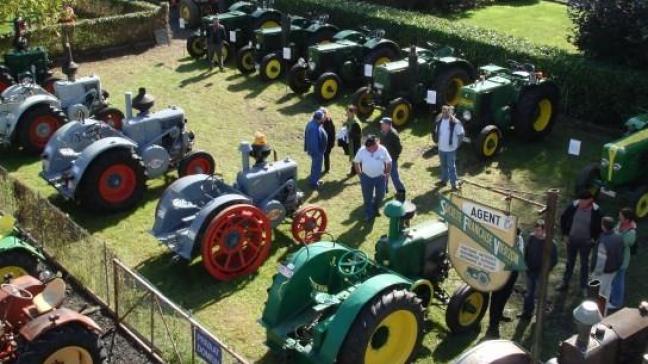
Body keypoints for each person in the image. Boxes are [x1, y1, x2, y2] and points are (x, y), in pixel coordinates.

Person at [557, 190, 603, 297]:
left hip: (586, 242)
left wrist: (594, 239)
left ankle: (583, 287)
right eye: (580, 199)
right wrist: (565, 234)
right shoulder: (574, 206)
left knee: (584, 264)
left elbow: (601, 227)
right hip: (572, 240)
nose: (580, 202)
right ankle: (565, 283)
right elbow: (563, 218)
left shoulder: (597, 211)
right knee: (570, 262)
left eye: (583, 200)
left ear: (590, 200)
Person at [486, 228, 525, 337]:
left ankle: (499, 315)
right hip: (501, 272)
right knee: (496, 297)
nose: (516, 237)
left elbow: (521, 253)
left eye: (517, 235)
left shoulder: (520, 240)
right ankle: (492, 324)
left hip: (513, 272)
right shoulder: (501, 240)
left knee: (505, 295)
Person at [518, 220, 558, 320]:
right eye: (535, 230)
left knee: (540, 294)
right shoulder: (532, 238)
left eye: (539, 230)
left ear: (544, 231)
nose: (536, 232)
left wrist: (546, 270)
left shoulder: (550, 243)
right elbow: (526, 251)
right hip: (530, 270)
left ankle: (541, 314)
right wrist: (525, 264)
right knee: (529, 293)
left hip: (541, 273)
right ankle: (527, 313)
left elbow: (554, 259)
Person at [354, 135, 392, 222]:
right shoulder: (362, 150)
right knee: (367, 197)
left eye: (371, 148)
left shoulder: (382, 150)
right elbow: (356, 162)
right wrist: (360, 174)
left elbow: (389, 162)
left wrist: (387, 174)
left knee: (381, 195)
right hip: (366, 177)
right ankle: (369, 213)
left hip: (380, 177)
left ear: (376, 144)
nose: (369, 150)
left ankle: (375, 208)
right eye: (368, 148)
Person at [590, 216, 624, 314]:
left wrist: (595, 273)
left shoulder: (603, 240)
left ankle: (596, 314)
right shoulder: (618, 237)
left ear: (603, 226)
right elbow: (621, 253)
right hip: (614, 270)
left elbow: (601, 260)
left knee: (598, 293)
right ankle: (604, 313)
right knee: (607, 291)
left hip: (603, 272)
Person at [608, 208, 636, 309]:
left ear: (627, 219)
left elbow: (623, 242)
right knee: (613, 280)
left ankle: (616, 303)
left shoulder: (631, 232)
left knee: (618, 282)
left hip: (621, 261)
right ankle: (611, 297)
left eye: (621, 216)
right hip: (614, 258)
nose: (619, 217)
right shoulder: (620, 224)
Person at [434, 105, 464, 191]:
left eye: (446, 111)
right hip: (441, 149)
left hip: (450, 150)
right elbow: (437, 133)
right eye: (443, 111)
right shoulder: (439, 121)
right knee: (443, 165)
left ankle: (454, 185)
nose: (444, 113)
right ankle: (444, 181)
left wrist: (457, 145)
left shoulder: (455, 122)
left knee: (451, 167)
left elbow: (461, 134)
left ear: (449, 112)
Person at [380, 117, 406, 201]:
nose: (381, 125)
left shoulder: (393, 134)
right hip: (384, 158)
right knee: (384, 175)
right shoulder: (383, 132)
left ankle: (401, 191)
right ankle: (383, 191)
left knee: (394, 176)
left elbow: (399, 148)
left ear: (388, 125)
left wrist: (394, 158)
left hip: (391, 160)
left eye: (383, 124)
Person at [304, 110, 328, 190]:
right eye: (322, 118)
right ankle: (313, 183)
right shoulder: (314, 128)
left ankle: (315, 179)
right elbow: (313, 142)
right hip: (317, 151)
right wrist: (317, 153)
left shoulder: (313, 123)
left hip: (318, 150)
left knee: (316, 166)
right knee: (316, 166)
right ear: (318, 119)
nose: (323, 119)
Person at [342, 105, 362, 176]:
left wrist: (348, 133)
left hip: (355, 144)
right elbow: (347, 124)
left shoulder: (356, 123)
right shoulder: (349, 119)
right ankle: (354, 171)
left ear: (353, 113)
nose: (346, 113)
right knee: (352, 157)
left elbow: (358, 136)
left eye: (348, 112)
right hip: (350, 142)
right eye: (347, 111)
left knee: (355, 158)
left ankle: (355, 171)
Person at [321, 108, 336, 174]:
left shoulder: (329, 121)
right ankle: (319, 168)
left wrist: (332, 142)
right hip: (321, 142)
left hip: (328, 142)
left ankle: (327, 169)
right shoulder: (319, 121)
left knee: (326, 155)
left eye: (324, 114)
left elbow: (332, 132)